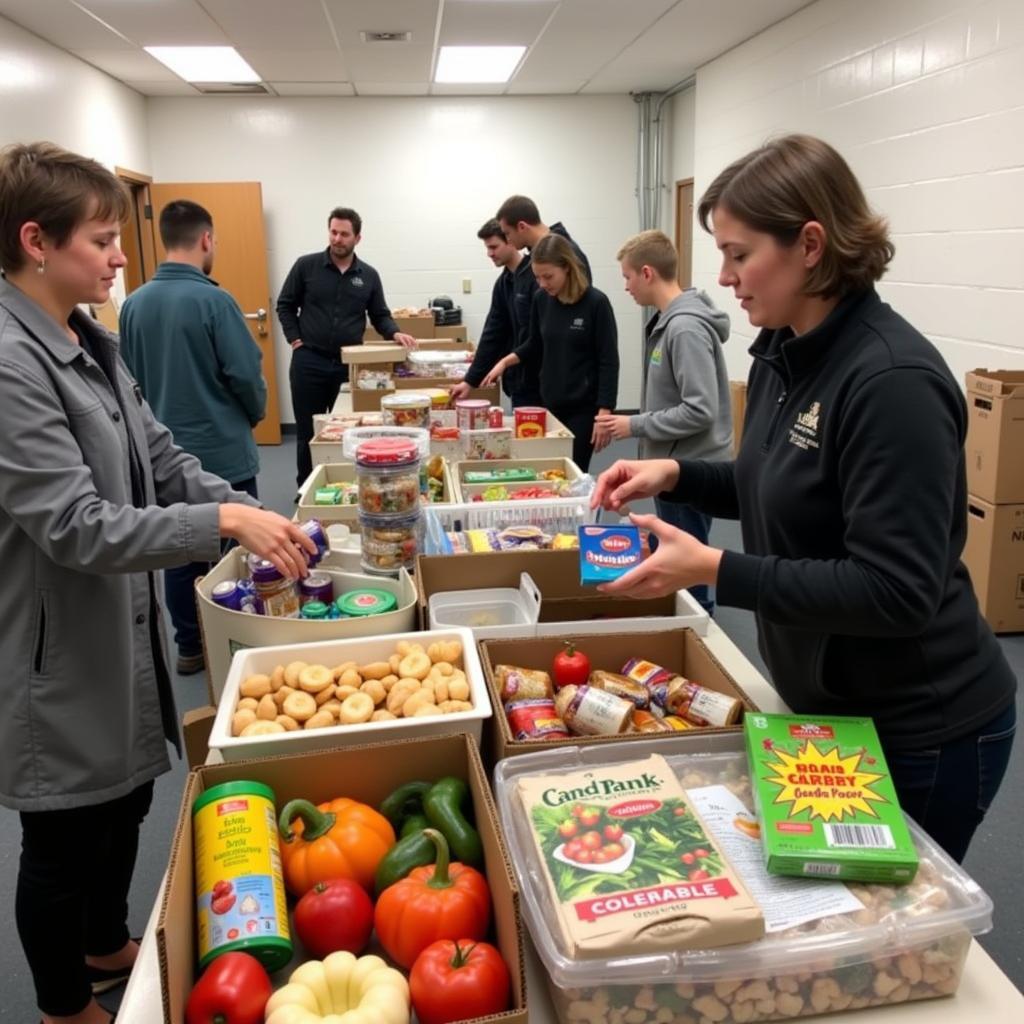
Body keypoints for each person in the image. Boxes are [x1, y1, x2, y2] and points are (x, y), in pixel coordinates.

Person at [591, 134, 1017, 863]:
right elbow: (780, 479)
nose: (723, 277)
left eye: (738, 253)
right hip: (830, 703)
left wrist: (717, 570)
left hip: (920, 726)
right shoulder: (786, 353)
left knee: (889, 945)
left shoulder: (890, 382)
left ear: (811, 244)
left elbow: (895, 590)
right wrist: (677, 475)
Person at [0, 141, 316, 1024]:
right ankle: (64, 1004)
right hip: (54, 642)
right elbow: (73, 524)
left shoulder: (88, 334)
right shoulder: (9, 361)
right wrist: (223, 523)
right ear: (35, 239)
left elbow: (161, 457)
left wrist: (247, 510)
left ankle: (106, 941)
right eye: (102, 239)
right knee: (62, 831)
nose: (118, 257)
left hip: (119, 623)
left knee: (126, 799)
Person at [119, 199, 267, 675]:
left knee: (179, 552)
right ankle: (238, 639)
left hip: (160, 455)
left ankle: (189, 645)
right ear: (206, 240)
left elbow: (129, 380)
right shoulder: (215, 301)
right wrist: (255, 414)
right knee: (239, 549)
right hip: (221, 450)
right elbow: (245, 374)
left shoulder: (133, 304)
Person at [596, 230, 731, 614]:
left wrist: (633, 425)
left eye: (627, 277)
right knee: (673, 557)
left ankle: (696, 630)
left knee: (688, 568)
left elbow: (700, 409)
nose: (625, 287)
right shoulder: (669, 322)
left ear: (648, 273)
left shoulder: (684, 328)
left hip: (691, 465)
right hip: (673, 461)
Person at [276, 207, 416, 485]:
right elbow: (285, 305)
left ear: (357, 238)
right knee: (308, 433)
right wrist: (294, 339)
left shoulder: (369, 275)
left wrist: (395, 334)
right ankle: (305, 489)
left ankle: (346, 483)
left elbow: (380, 315)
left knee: (351, 430)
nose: (337, 239)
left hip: (348, 366)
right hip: (309, 362)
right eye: (333, 232)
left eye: (344, 234)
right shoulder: (306, 266)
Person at [483, 233, 618, 472]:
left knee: (573, 472)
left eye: (548, 276)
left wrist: (604, 414)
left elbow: (608, 361)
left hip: (583, 409)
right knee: (549, 471)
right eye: (537, 277)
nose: (543, 284)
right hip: (550, 403)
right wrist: (505, 362)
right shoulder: (541, 299)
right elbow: (534, 344)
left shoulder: (595, 303)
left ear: (566, 268)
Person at [451, 219, 542, 406]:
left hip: (541, 382)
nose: (489, 254)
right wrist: (469, 381)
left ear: (510, 240)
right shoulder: (503, 284)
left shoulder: (536, 278)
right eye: (487, 248)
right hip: (517, 382)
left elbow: (540, 336)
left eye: (494, 247)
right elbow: (493, 333)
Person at [496, 194, 592, 282]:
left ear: (522, 226)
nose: (507, 239)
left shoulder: (567, 253)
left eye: (507, 233)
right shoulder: (531, 259)